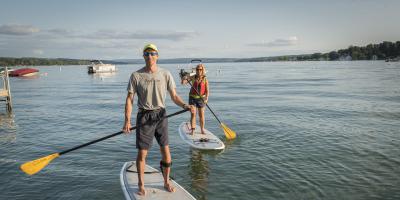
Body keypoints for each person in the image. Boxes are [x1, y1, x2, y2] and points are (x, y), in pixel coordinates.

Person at [122, 44, 195, 196]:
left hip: (161, 115)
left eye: (152, 53)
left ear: (157, 56)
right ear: (143, 56)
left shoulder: (165, 74)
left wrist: (185, 105)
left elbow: (174, 96)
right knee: (142, 154)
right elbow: (129, 99)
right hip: (144, 116)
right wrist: (127, 121)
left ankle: (166, 181)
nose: (149, 56)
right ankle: (141, 183)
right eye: (147, 53)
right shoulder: (136, 75)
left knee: (166, 154)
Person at [181, 64, 209, 135]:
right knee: (193, 114)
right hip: (192, 98)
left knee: (201, 115)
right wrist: (183, 78)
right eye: (197, 69)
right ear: (196, 70)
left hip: (201, 99)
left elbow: (207, 91)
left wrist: (206, 99)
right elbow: (183, 83)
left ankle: (202, 129)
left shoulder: (205, 79)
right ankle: (192, 130)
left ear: (202, 70)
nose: (199, 71)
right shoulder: (192, 77)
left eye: (200, 69)